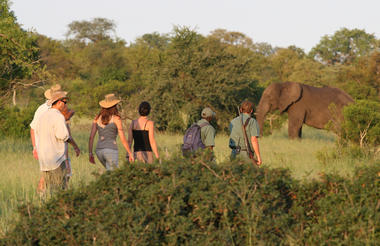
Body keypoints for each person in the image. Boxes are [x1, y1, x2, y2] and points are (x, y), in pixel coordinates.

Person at [30, 84, 80, 193]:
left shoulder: (43, 115)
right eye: (65, 102)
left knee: (48, 186)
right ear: (59, 102)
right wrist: (75, 146)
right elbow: (64, 136)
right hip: (56, 158)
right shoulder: (58, 116)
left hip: (44, 159)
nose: (66, 105)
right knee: (61, 187)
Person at [89, 94, 134, 170]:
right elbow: (122, 138)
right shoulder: (116, 119)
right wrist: (130, 153)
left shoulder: (97, 118)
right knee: (113, 176)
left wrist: (90, 153)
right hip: (111, 150)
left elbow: (91, 137)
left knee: (109, 173)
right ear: (114, 106)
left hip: (99, 151)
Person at [229, 101, 262, 165]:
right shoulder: (252, 121)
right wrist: (258, 156)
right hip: (246, 154)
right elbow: (254, 139)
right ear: (251, 111)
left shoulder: (232, 121)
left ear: (241, 110)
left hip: (234, 153)